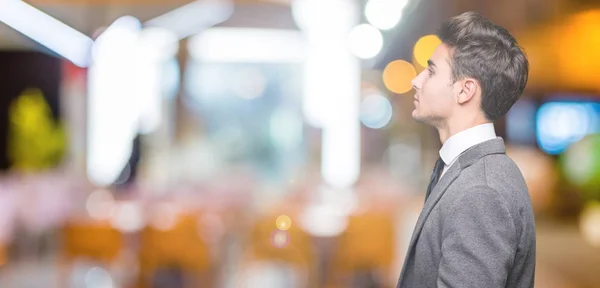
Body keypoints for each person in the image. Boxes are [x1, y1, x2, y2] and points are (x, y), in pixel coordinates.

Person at [396, 11, 535, 288]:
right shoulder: (468, 169)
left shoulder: (482, 191)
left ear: (465, 90)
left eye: (432, 70)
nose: (416, 80)